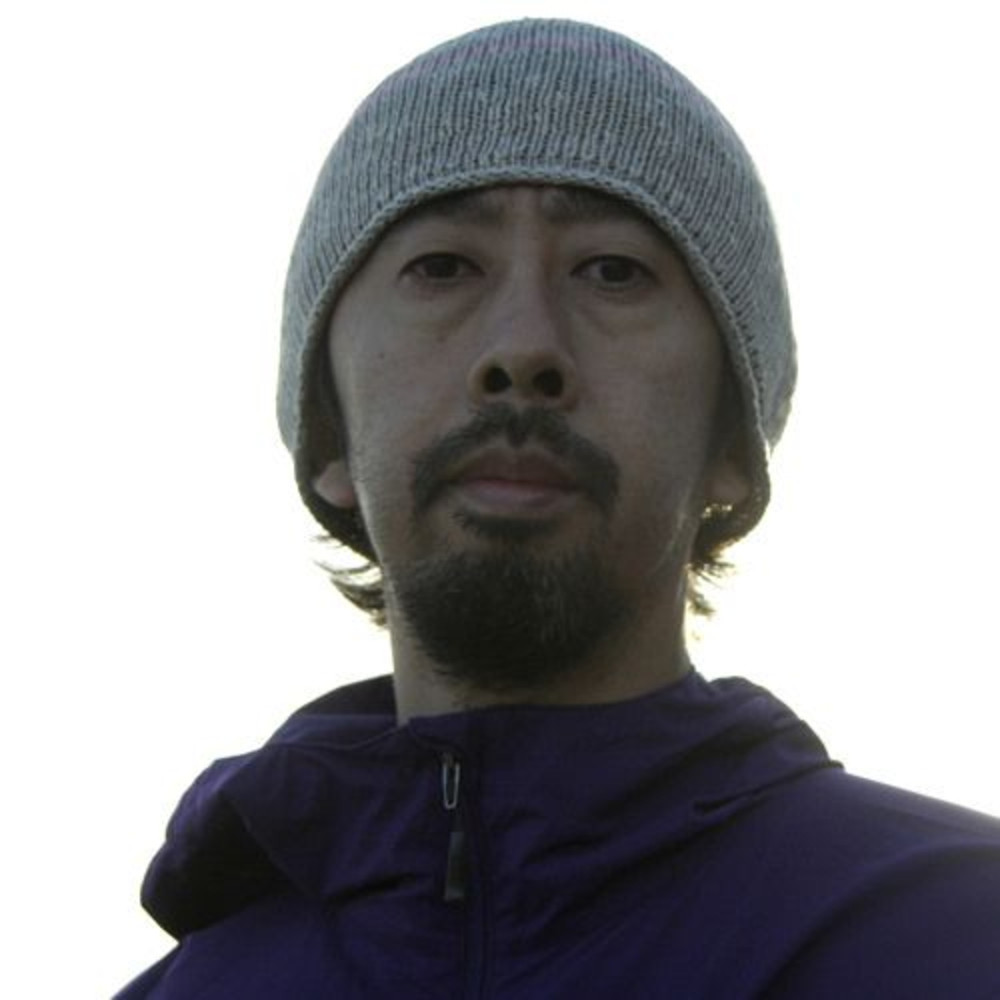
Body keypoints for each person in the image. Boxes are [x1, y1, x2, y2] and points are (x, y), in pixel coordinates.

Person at [115, 19, 1000, 998]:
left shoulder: (958, 939)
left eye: (612, 270)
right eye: (443, 266)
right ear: (330, 438)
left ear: (731, 446)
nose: (523, 348)